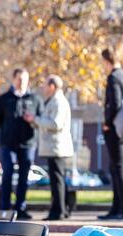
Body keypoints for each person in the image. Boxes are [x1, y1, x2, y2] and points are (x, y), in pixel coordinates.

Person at [0, 68, 43, 219]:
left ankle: (20, 207)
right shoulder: (4, 99)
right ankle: (5, 207)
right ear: (14, 80)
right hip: (9, 144)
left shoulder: (35, 99)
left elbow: (40, 118)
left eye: (25, 79)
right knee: (7, 173)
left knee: (23, 176)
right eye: (19, 79)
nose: (22, 82)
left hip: (28, 143)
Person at [24, 74, 74, 221]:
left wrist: (35, 119)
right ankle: (62, 209)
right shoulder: (54, 100)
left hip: (57, 147)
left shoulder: (58, 101)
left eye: (45, 85)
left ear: (52, 86)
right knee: (58, 179)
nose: (43, 88)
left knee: (57, 180)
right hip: (55, 147)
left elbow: (55, 124)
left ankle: (58, 211)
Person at [99, 47, 123, 220]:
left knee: (118, 168)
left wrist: (107, 122)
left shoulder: (113, 77)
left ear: (107, 61)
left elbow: (114, 103)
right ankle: (117, 208)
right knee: (116, 168)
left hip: (116, 130)